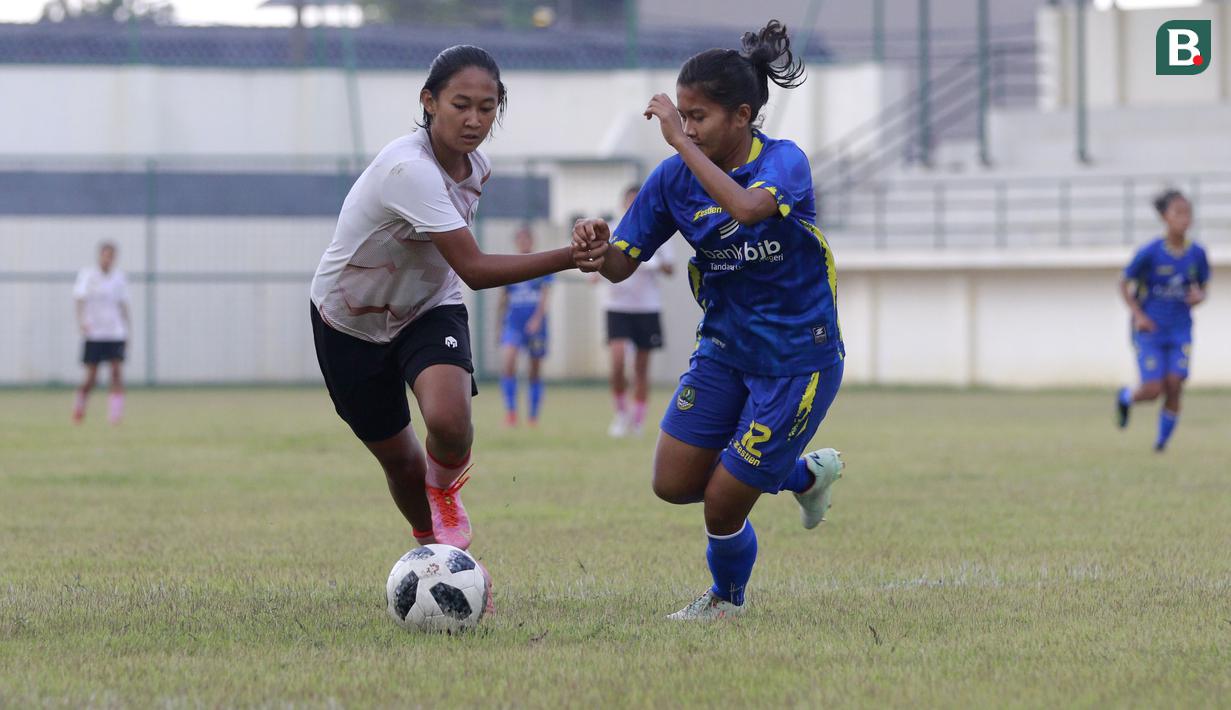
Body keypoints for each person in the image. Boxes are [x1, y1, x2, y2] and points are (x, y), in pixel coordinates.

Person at [574, 20, 846, 620]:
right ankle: (804, 476)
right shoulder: (674, 179)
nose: (687, 128)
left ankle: (726, 601)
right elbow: (620, 266)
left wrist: (682, 143)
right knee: (672, 483)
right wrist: (597, 245)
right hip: (724, 349)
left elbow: (748, 210)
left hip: (797, 359)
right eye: (683, 116)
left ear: (742, 116)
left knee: (723, 501)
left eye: (698, 117)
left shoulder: (784, 162)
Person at [310, 46, 605, 563]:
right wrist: (569, 256)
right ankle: (437, 557)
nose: (474, 120)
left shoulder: (477, 168)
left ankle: (445, 495)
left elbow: (455, 268)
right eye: (460, 105)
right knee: (404, 466)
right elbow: (475, 268)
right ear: (429, 102)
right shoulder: (408, 169)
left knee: (449, 422)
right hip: (348, 322)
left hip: (428, 307)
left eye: (487, 108)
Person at [1116, 189, 1209, 452]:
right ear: (1164, 217)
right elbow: (1123, 283)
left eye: (1187, 213)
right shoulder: (1150, 252)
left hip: (1180, 329)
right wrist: (1139, 316)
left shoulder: (1197, 253)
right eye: (1178, 213)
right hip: (1151, 330)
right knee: (1153, 389)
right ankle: (1125, 398)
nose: (1184, 218)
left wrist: (1199, 296)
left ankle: (1161, 444)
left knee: (1175, 385)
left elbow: (1202, 287)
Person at [603, 184, 676, 437]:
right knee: (617, 362)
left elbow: (671, 268)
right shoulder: (612, 229)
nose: (632, 206)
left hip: (647, 307)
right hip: (617, 306)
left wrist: (654, 263)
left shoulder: (657, 230)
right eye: (629, 201)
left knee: (641, 368)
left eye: (637, 201)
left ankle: (638, 421)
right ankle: (621, 415)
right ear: (622, 204)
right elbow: (598, 263)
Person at [497, 226, 553, 427]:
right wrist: (499, 324)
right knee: (508, 364)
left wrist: (537, 319)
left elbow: (545, 296)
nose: (523, 243)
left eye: (526, 239)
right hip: (513, 323)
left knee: (534, 370)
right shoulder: (510, 266)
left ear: (532, 241)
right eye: (520, 239)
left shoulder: (542, 265)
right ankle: (511, 413)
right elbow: (503, 297)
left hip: (536, 325)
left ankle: (533, 416)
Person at [72, 241, 129, 425]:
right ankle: (79, 407)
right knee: (91, 378)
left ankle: (115, 416)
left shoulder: (119, 278)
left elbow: (123, 305)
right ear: (100, 256)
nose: (108, 259)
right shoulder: (88, 275)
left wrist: (127, 331)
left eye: (111, 256)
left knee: (116, 374)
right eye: (105, 255)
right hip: (95, 332)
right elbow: (79, 299)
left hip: (115, 332)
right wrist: (81, 322)